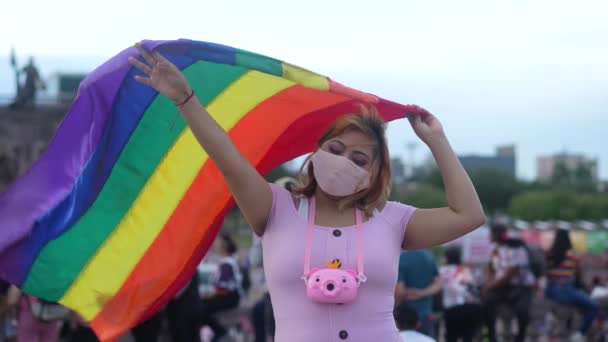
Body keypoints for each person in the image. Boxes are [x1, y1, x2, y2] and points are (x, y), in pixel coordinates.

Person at [128, 42, 485, 342]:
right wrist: (185, 99)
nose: (344, 161)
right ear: (315, 153)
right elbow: (228, 157)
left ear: (375, 173)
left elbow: (468, 215)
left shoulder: (393, 219)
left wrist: (436, 141)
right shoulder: (276, 208)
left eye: (359, 159)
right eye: (335, 150)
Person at [482, 224, 535, 342]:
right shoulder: (495, 249)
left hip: (521, 286)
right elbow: (491, 267)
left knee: (522, 311)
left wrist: (491, 285)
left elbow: (512, 272)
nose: (489, 236)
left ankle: (520, 337)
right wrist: (490, 282)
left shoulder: (517, 248)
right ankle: (491, 335)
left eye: (491, 233)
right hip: (501, 286)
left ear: (496, 235)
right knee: (486, 303)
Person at [545, 228, 598, 342]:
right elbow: (578, 277)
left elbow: (545, 273)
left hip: (550, 290)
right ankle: (580, 334)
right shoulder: (573, 255)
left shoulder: (549, 254)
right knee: (593, 306)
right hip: (566, 290)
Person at [439, 246, 483, 342]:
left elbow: (439, 288)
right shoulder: (465, 270)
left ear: (447, 257)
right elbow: (474, 287)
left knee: (451, 337)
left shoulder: (443, 270)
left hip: (453, 309)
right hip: (471, 308)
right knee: (468, 337)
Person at [395, 250, 442, 337]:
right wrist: (421, 293)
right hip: (426, 313)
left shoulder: (400, 258)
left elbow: (400, 291)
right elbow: (438, 284)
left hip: (404, 317)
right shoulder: (428, 256)